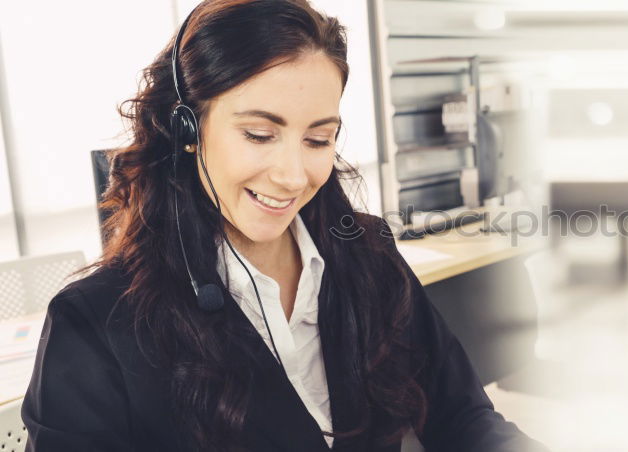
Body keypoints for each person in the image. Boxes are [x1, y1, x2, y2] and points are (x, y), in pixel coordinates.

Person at [20, 1, 548, 451]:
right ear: (187, 129)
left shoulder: (366, 253)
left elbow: (463, 417)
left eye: (318, 140)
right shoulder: (94, 324)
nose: (294, 175)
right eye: (259, 134)